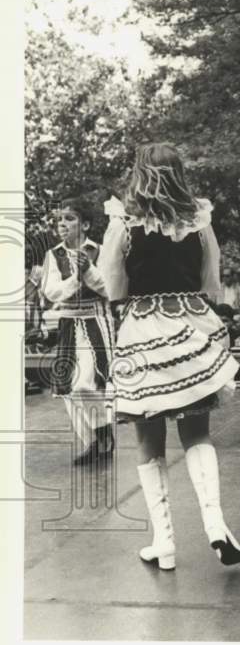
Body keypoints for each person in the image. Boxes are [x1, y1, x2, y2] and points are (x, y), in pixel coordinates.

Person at [99, 142, 240, 570]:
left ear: (139, 174)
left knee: (148, 439)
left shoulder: (123, 223)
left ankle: (164, 542)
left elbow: (114, 288)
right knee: (198, 433)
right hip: (192, 326)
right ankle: (215, 523)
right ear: (179, 173)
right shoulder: (199, 220)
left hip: (144, 331)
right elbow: (210, 281)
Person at [40, 198, 116, 465]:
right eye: (60, 219)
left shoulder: (101, 251)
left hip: (96, 320)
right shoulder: (54, 255)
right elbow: (50, 291)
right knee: (68, 388)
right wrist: (76, 278)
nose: (62, 224)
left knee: (87, 382)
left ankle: (104, 432)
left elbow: (110, 289)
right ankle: (95, 441)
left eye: (70, 218)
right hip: (68, 322)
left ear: (85, 224)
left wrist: (89, 271)